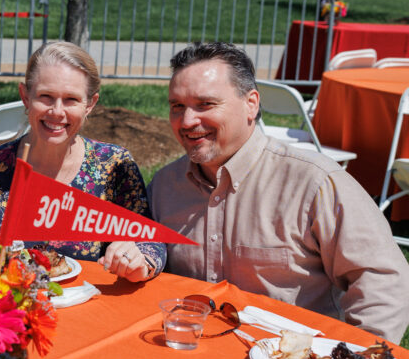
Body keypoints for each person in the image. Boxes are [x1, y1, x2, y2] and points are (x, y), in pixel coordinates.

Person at [149, 41, 409, 342]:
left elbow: (382, 279)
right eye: (177, 106)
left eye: (205, 104)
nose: (188, 121)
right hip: (193, 353)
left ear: (251, 104)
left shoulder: (314, 182)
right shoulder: (165, 185)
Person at [0, 41, 166, 283]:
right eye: (46, 97)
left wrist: (140, 261)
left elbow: (151, 242)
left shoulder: (114, 166)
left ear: (90, 104)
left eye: (71, 99)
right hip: (6, 310)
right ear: (25, 96)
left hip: (87, 308)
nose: (57, 111)